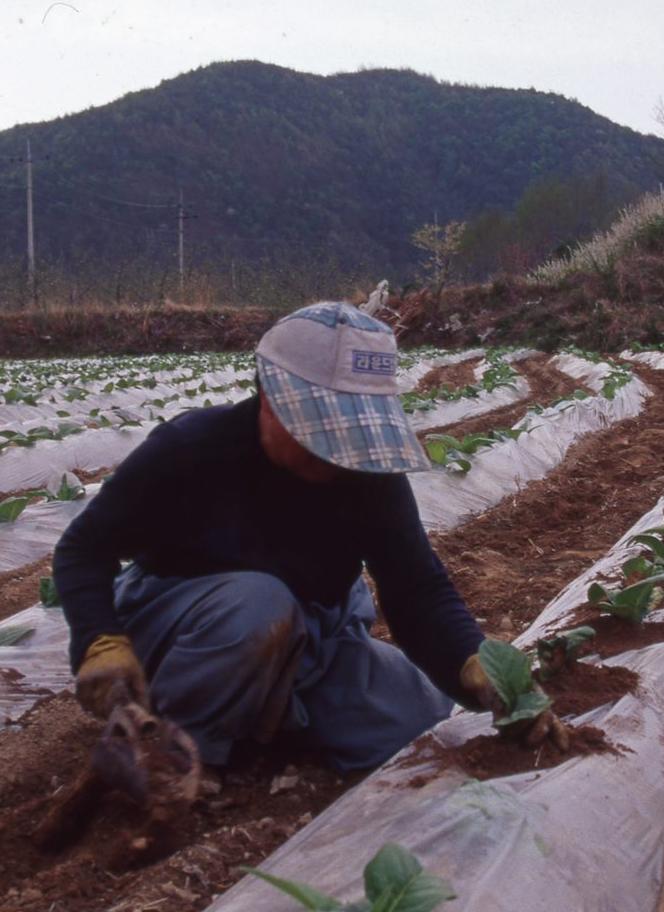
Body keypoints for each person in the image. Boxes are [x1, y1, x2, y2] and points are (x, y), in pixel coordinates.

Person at [50, 300, 566, 775]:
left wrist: (475, 666)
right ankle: (171, 757)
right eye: (321, 432)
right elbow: (84, 549)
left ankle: (261, 716)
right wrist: (99, 640)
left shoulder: (369, 479)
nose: (338, 454)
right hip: (182, 632)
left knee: (419, 716)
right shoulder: (189, 451)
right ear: (270, 399)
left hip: (306, 640)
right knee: (259, 603)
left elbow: (417, 590)